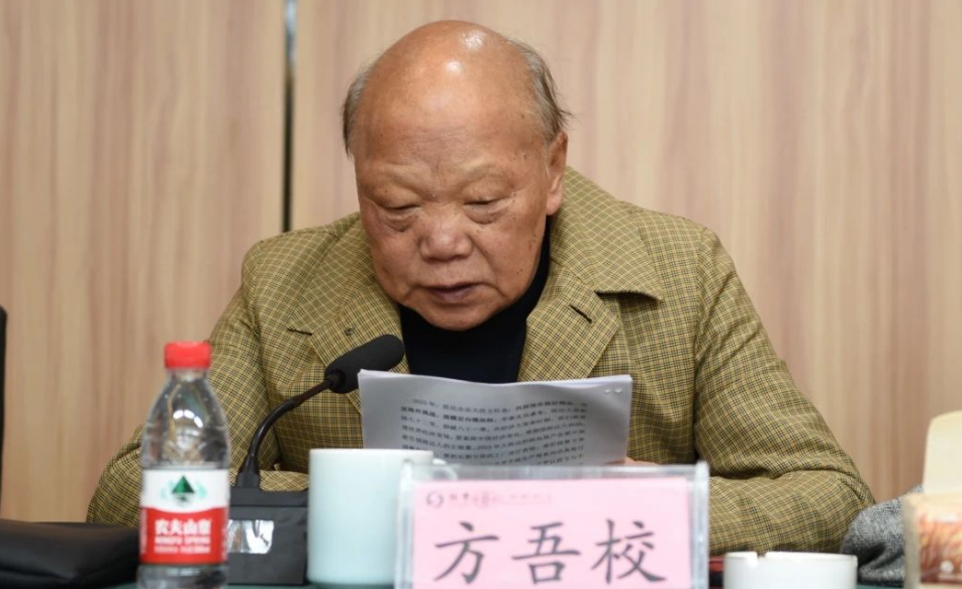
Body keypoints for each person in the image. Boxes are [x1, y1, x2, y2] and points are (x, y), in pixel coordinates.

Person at [88, 20, 873, 553]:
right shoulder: (283, 281)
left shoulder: (679, 271)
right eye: (396, 207)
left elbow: (831, 496)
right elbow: (131, 492)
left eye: (484, 202)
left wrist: (644, 503)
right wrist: (390, 497)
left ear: (553, 169)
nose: (441, 241)